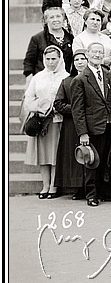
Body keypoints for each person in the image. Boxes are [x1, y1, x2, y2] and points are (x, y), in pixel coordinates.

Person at [70, 42, 111, 206]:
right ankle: (92, 195)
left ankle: (107, 192)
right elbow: (77, 109)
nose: (97, 55)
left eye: (100, 52)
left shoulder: (108, 75)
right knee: (92, 162)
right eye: (94, 52)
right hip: (92, 127)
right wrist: (83, 133)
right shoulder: (80, 79)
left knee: (107, 161)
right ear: (87, 54)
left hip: (109, 125)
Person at [22, 45, 69, 198]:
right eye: (47, 59)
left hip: (57, 120)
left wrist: (57, 108)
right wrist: (38, 108)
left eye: (54, 59)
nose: (50, 62)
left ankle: (54, 186)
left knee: (54, 154)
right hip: (41, 120)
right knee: (43, 155)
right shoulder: (38, 77)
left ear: (60, 59)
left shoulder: (65, 77)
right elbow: (28, 98)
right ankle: (45, 185)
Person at [53, 51, 89, 199]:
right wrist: (76, 109)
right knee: (76, 156)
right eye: (77, 60)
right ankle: (78, 187)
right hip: (72, 124)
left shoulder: (92, 79)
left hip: (91, 123)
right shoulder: (67, 82)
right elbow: (58, 103)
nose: (80, 62)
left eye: (83, 59)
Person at [24, 7, 76, 80]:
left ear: (63, 19)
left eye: (58, 16)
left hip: (65, 80)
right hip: (43, 80)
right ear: (46, 20)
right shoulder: (37, 38)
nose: (55, 20)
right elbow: (29, 62)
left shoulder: (71, 38)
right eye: (51, 17)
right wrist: (29, 79)